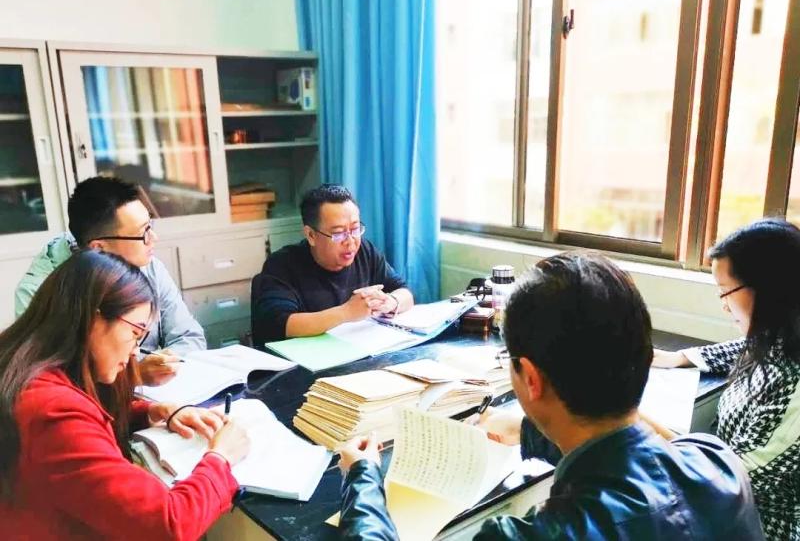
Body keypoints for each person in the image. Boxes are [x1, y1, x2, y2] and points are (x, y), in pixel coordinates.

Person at [336, 252, 764, 540]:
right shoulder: (718, 463)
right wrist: (528, 430)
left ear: (530, 378)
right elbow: (631, 447)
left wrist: (362, 479)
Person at [0, 250, 250, 540]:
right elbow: (169, 524)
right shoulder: (52, 412)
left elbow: (79, 424)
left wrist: (148, 412)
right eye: (135, 333)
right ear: (93, 319)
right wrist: (220, 458)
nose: (135, 351)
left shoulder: (22, 368)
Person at [652, 218, 800, 538]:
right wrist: (678, 357)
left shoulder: (796, 389)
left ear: (768, 290)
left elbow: (729, 480)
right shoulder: (778, 337)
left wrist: (636, 422)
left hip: (763, 528)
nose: (724, 306)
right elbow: (745, 348)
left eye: (725, 292)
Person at [15, 176, 205, 386]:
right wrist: (134, 375)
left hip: (159, 394)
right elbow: (51, 381)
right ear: (99, 248)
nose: (154, 238)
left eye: (149, 225)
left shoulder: (148, 265)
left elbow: (189, 337)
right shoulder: (39, 291)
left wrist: (167, 364)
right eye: (143, 233)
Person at [252, 184, 414, 345]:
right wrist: (346, 312)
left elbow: (404, 291)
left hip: (358, 348)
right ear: (311, 235)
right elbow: (278, 324)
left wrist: (391, 301)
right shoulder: (282, 265)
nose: (350, 241)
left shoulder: (365, 251)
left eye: (355, 229)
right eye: (338, 233)